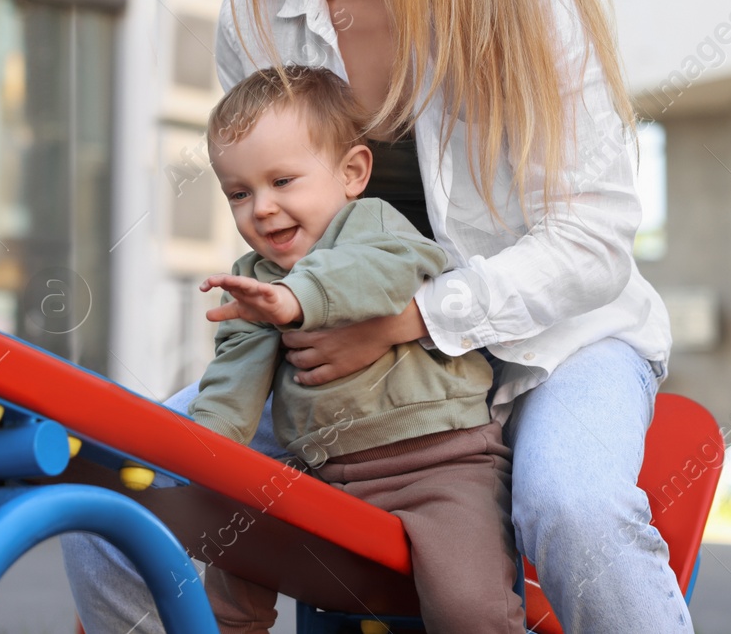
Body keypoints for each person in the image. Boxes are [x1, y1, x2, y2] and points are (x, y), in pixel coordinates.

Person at [62, 0, 686, 632]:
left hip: (556, 346)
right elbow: (279, 234)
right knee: (115, 509)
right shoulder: (256, 10)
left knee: (576, 509)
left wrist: (411, 317)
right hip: (346, 372)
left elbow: (593, 239)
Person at [188, 64, 525, 633]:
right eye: (239, 193)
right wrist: (200, 451)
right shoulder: (257, 279)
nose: (261, 208)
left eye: (283, 181)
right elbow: (230, 387)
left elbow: (382, 276)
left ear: (352, 172)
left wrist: (296, 300)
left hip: (441, 465)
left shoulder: (377, 228)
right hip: (321, 473)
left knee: (470, 609)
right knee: (233, 552)